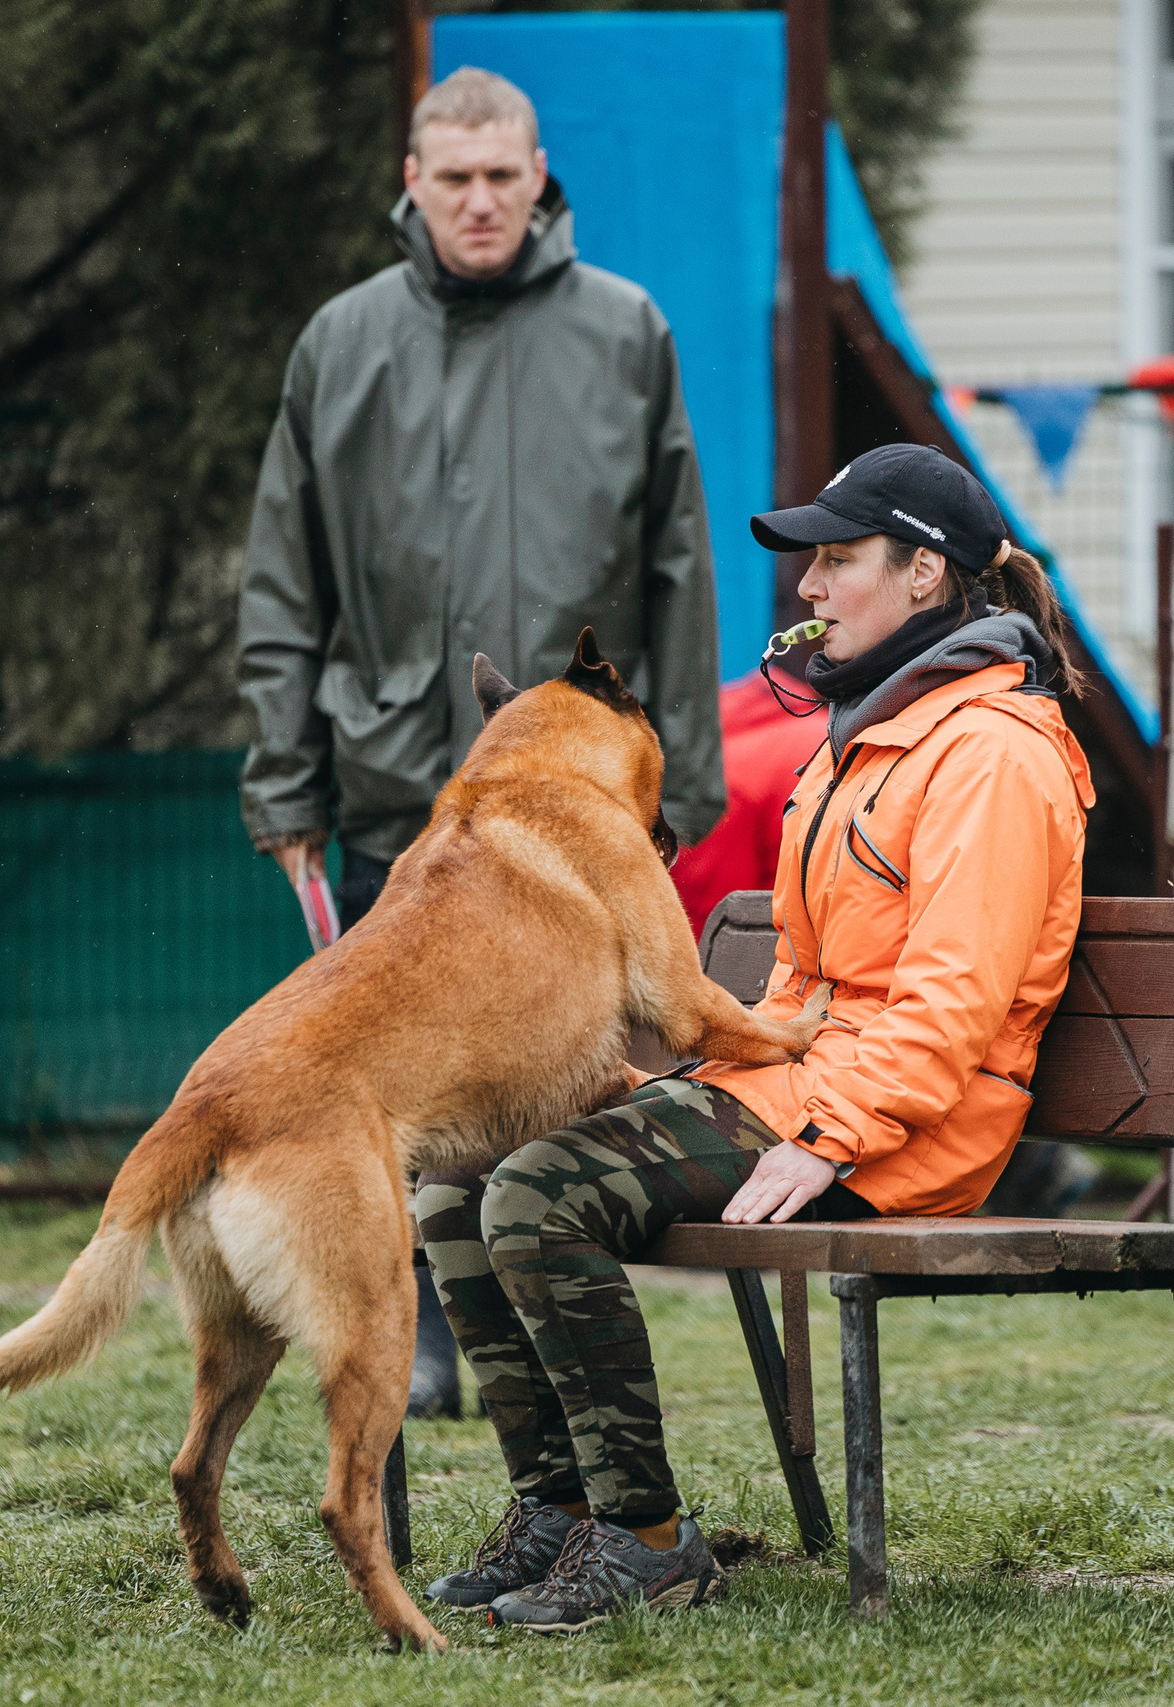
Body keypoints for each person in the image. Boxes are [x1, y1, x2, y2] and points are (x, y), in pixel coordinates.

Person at [415, 444, 1095, 1632]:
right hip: (800, 1097)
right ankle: (560, 1510)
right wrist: (681, 1084)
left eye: (837, 561)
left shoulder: (991, 753)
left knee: (534, 1196)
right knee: (454, 1178)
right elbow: (803, 983)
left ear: (925, 575)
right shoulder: (873, 732)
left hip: (898, 1137)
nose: (810, 590)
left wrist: (831, 1136)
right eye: (811, 565)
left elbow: (953, 1002)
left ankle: (647, 1541)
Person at [235, 68, 723, 1417]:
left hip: (579, 800)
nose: (479, 201)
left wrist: (678, 766)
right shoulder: (341, 341)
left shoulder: (627, 330)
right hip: (396, 778)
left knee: (550, 1070)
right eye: (453, 178)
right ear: (414, 177)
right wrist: (283, 779)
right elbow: (284, 582)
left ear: (538, 171)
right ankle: (428, 1326)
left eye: (502, 176)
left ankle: (557, 1347)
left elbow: (679, 565)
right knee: (394, 1080)